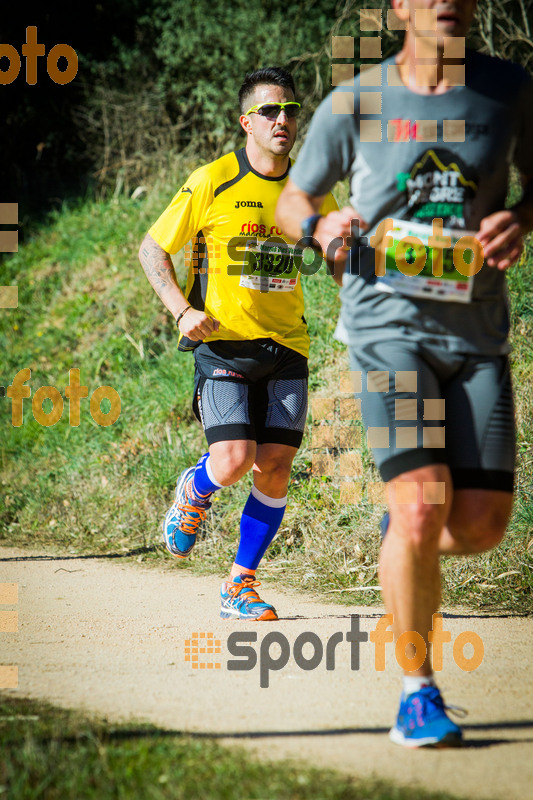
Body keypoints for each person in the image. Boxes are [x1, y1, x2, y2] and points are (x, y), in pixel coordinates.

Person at [275, 0, 533, 746]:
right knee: (424, 503)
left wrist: (520, 217)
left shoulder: (507, 89)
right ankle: (417, 693)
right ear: (399, 7)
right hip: (385, 328)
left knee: (480, 526)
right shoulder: (355, 100)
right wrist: (319, 225)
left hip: (474, 334)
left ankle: (404, 540)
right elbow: (296, 196)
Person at [139, 66, 337, 621]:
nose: (283, 119)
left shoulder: (309, 189)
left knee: (273, 466)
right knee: (232, 460)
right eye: (271, 111)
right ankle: (196, 489)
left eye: (292, 110)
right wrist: (182, 310)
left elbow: (335, 256)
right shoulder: (211, 180)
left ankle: (239, 586)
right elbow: (152, 250)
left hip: (287, 346)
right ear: (246, 121)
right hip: (222, 346)